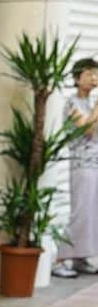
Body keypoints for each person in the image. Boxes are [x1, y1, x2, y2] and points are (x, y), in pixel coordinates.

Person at [53, 57, 98, 278]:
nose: (94, 78)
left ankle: (80, 257)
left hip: (95, 164)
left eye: (96, 74)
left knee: (92, 213)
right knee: (80, 212)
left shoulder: (90, 104)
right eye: (89, 74)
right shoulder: (72, 103)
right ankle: (60, 259)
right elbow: (87, 130)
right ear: (77, 77)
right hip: (81, 165)